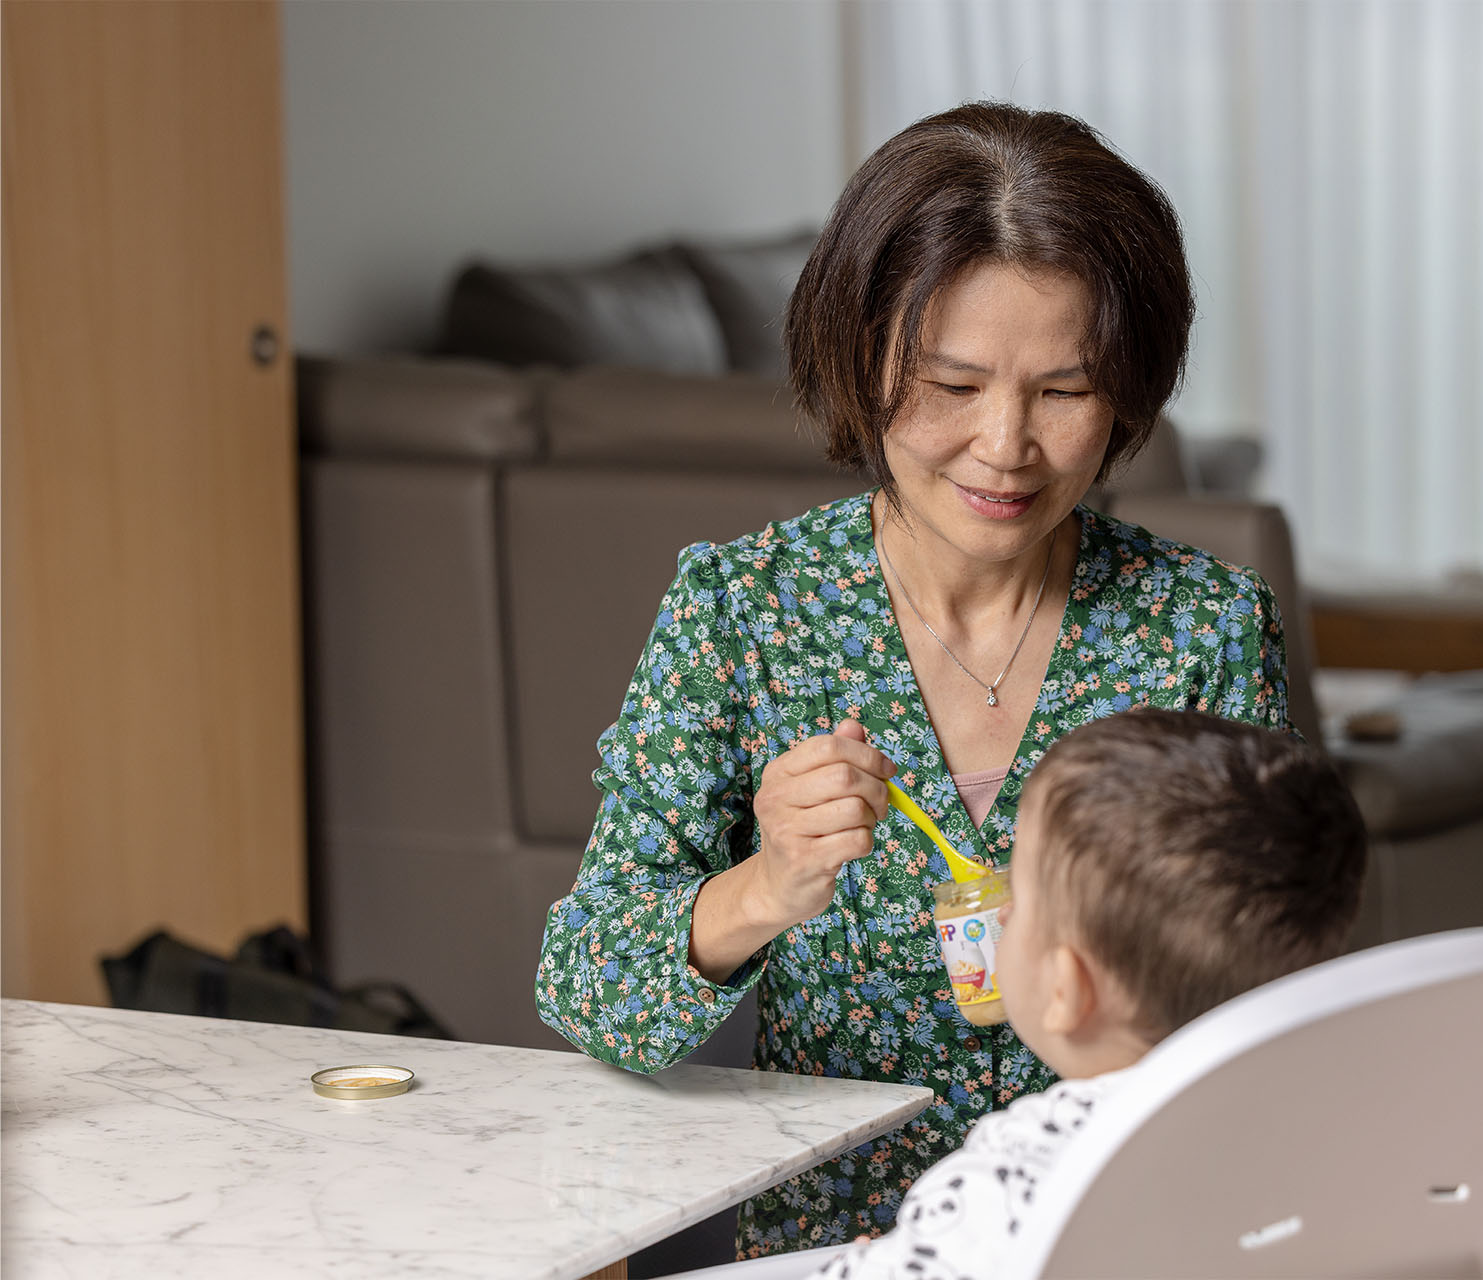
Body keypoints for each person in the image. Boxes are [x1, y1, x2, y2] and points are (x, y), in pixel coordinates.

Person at [535, 101, 1295, 1257]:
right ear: (860, 360)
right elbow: (590, 988)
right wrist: (766, 886)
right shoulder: (747, 612)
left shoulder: (1205, 627)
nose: (1006, 446)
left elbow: (1270, 1005)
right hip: (848, 1246)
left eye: (1065, 389)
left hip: (1134, 1239)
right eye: (951, 385)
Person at [811, 709, 1368, 1279]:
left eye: (1019, 897)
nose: (1002, 912)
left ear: (1065, 988)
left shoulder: (1012, 1177)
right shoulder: (1331, 1135)